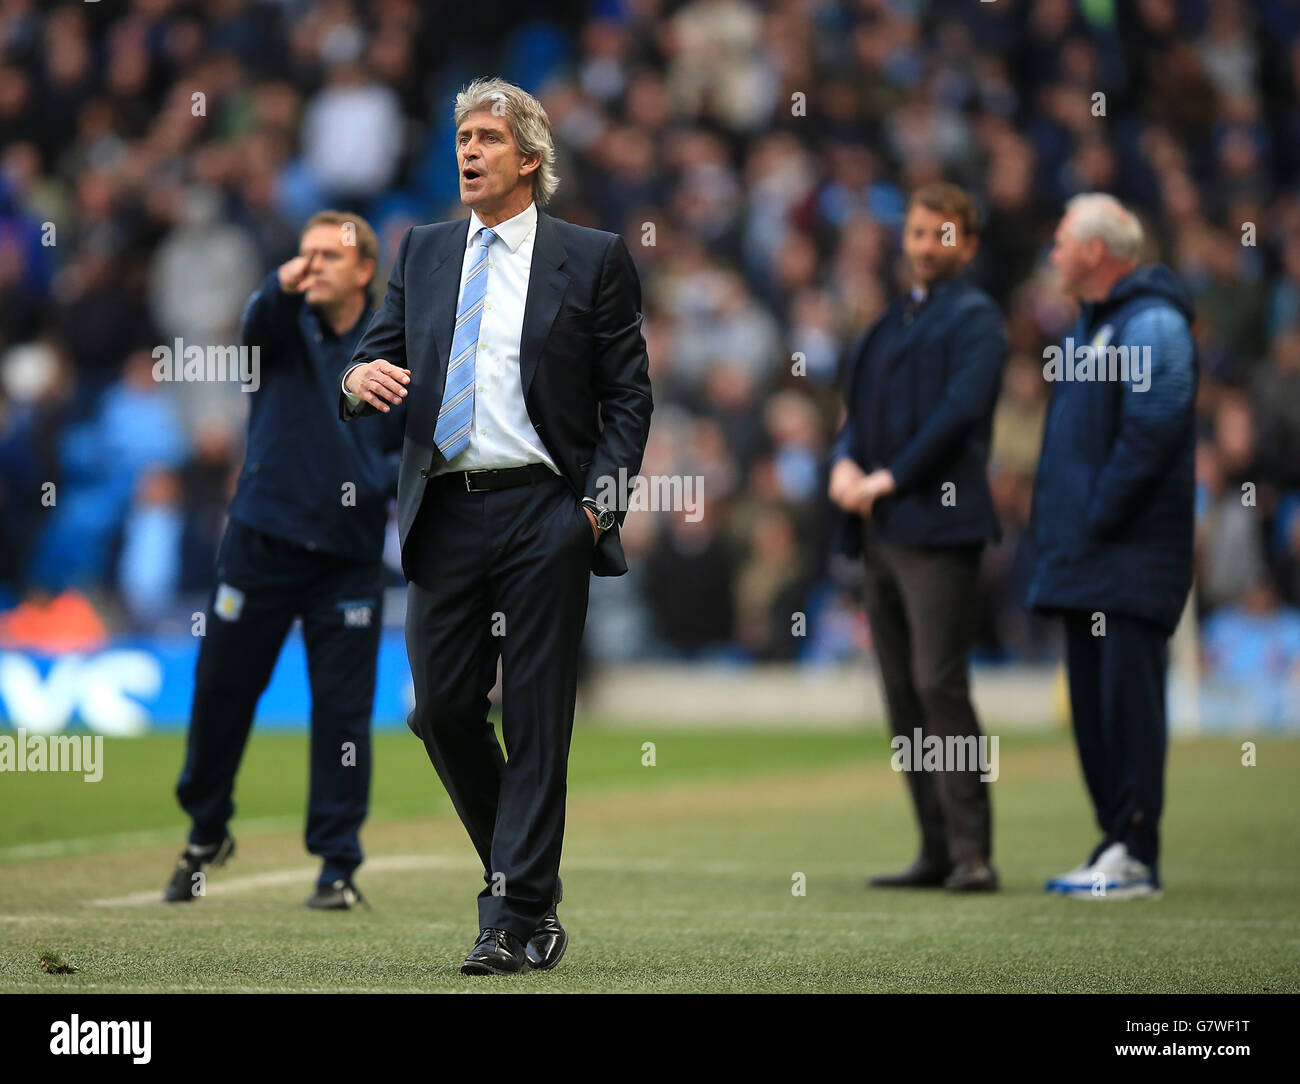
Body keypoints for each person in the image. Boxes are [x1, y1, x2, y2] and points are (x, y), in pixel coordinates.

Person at [341, 77, 652, 974]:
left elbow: (628, 395)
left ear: (529, 157)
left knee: (538, 715)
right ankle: (526, 889)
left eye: (486, 137)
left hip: (545, 511)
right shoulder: (425, 248)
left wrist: (598, 507)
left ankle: (512, 913)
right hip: (443, 511)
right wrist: (355, 381)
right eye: (461, 137)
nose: (468, 152)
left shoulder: (590, 257)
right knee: (440, 710)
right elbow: (377, 351)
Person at [165, 211, 403, 910]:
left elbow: (413, 444)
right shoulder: (280, 329)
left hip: (348, 557)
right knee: (220, 694)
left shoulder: (394, 345)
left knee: (343, 715)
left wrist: (374, 483)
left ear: (365, 271)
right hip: (261, 541)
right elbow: (254, 320)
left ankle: (337, 865)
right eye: (307, 254)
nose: (317, 264)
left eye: (333, 254)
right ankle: (207, 826)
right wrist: (277, 284)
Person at [828, 182, 1006, 892]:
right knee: (903, 696)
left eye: (942, 234)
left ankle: (972, 853)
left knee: (939, 684)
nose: (927, 246)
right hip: (883, 531)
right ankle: (935, 849)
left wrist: (888, 477)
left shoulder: (979, 320)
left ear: (967, 242)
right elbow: (856, 411)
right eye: (918, 233)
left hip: (939, 528)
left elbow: (961, 413)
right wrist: (844, 462)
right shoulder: (889, 322)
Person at [1029, 193, 1196, 899]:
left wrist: (1097, 514)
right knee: (1096, 709)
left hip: (1128, 554)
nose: (1054, 254)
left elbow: (1153, 426)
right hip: (1085, 557)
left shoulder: (1151, 323)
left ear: (1097, 250)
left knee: (1128, 701)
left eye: (1063, 240)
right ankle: (1115, 842)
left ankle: (1137, 848)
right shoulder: (1088, 329)